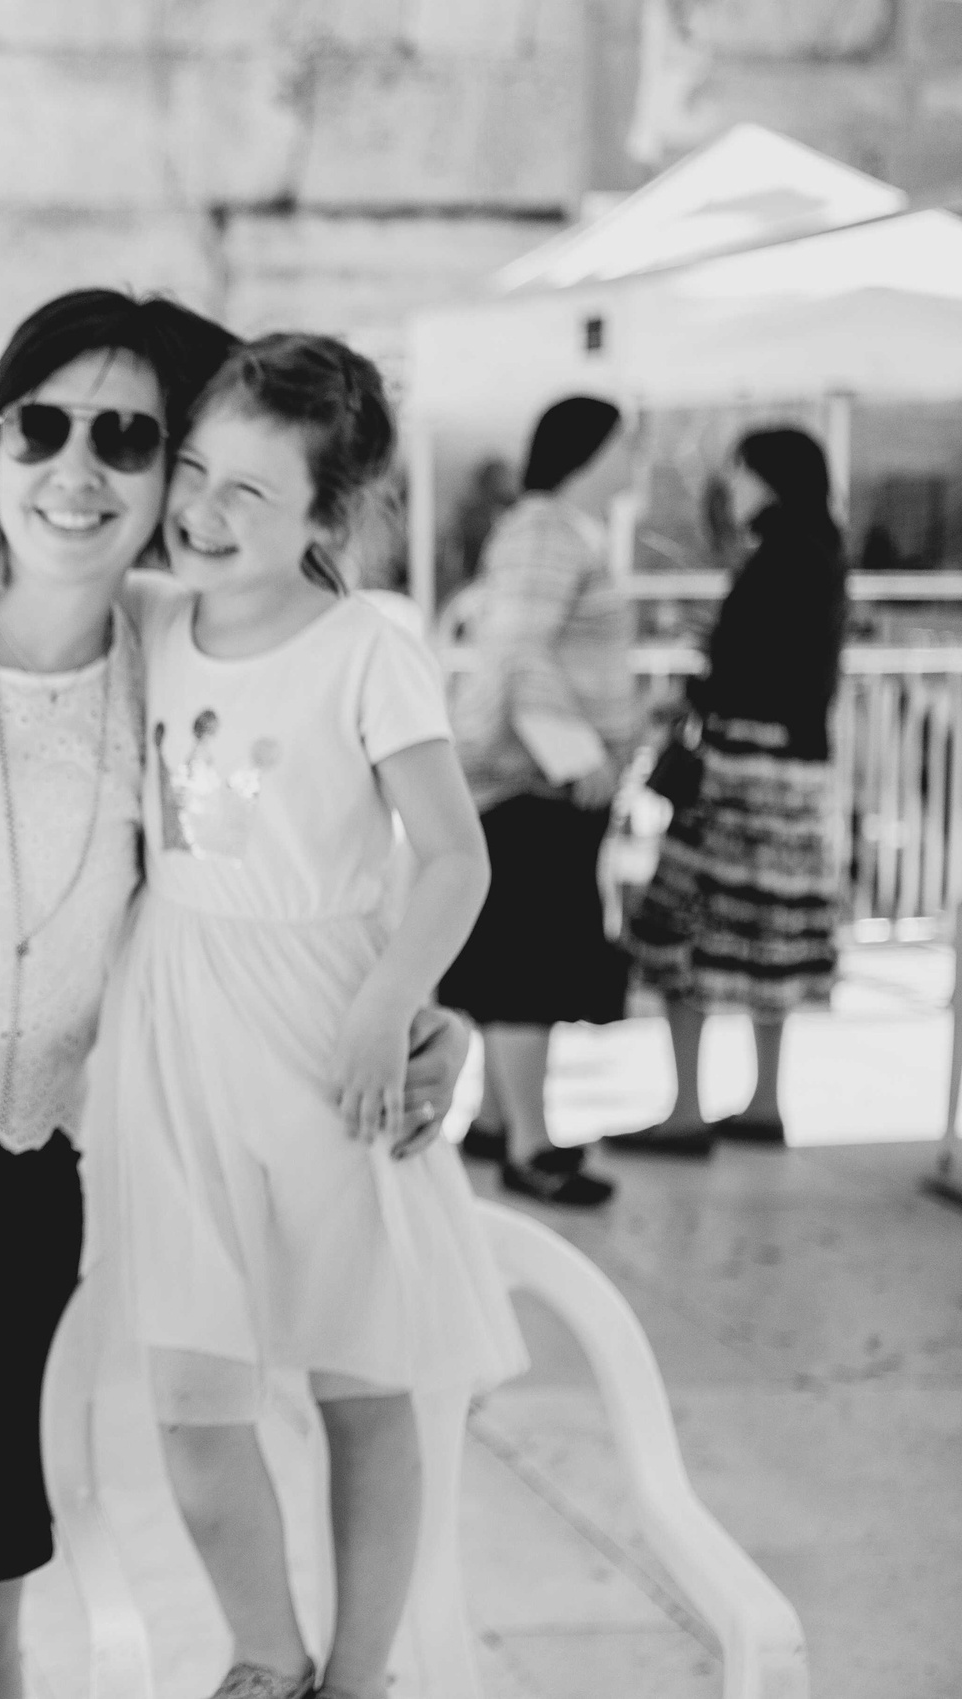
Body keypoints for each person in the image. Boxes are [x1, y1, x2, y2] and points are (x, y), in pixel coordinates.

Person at [0, 298, 475, 1699]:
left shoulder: (174, 628)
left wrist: (413, 1001)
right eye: (40, 426)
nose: (85, 468)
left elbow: (364, 837)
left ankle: (336, 1668)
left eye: (135, 441)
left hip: (28, 1181)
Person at [97, 336, 521, 1699]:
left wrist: (390, 1002)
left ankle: (362, 1673)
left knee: (364, 1380)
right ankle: (264, 1652)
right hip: (178, 1033)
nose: (204, 511)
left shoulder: (364, 649)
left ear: (330, 521)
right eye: (199, 473)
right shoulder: (154, 619)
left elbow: (456, 855)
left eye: (252, 495)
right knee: (193, 1392)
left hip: (321, 1025)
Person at [616, 428, 848, 1151]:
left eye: (741, 472)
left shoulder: (776, 560)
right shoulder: (822, 553)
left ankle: (685, 1108)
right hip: (793, 775)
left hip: (738, 772)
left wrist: (697, 680)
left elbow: (747, 673)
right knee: (768, 937)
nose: (732, 485)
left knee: (685, 930)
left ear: (771, 478)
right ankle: (761, 1102)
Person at [440, 397, 639, 1206]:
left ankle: (495, 1121)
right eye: (624, 446)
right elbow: (516, 650)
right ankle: (531, 1143)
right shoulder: (547, 532)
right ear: (587, 452)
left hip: (538, 783)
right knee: (530, 963)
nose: (633, 462)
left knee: (517, 958)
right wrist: (578, 754)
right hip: (533, 784)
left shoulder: (553, 531)